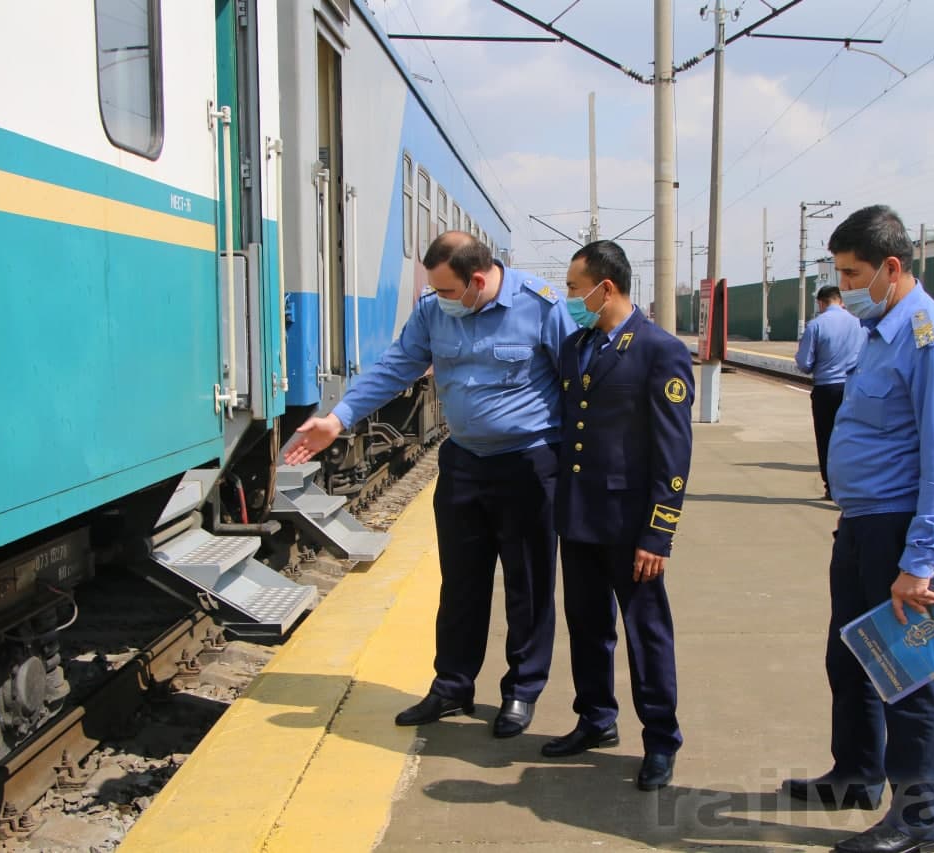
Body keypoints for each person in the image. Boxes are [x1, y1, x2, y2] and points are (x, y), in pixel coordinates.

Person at [283, 231, 577, 737]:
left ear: (478, 280)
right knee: (461, 583)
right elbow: (398, 365)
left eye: (446, 291)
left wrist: (578, 464)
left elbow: (576, 382)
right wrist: (340, 417)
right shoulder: (432, 310)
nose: (439, 301)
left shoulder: (540, 306)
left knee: (528, 586)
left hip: (528, 467)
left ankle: (521, 691)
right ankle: (452, 686)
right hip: (464, 464)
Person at [783, 206, 934, 853]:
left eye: (854, 273)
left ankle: (918, 821)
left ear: (893, 268)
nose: (847, 285)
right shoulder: (879, 329)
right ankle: (858, 772)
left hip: (902, 531)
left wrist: (919, 561)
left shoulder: (931, 339)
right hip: (863, 522)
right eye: (839, 271)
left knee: (909, 672)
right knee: (850, 655)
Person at [541, 240, 693, 793]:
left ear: (607, 288)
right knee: (586, 626)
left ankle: (660, 740)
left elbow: (673, 451)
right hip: (579, 518)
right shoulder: (576, 345)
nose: (571, 299)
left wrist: (659, 531)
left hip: (632, 527)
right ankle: (596, 718)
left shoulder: (659, 350)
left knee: (645, 633)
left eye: (576, 289)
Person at [794, 284, 864, 499]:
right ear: (841, 300)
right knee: (852, 437)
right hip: (853, 388)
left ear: (821, 303)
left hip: (826, 389)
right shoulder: (859, 324)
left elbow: (804, 363)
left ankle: (831, 487)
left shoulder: (816, 325)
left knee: (826, 439)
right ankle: (853, 484)